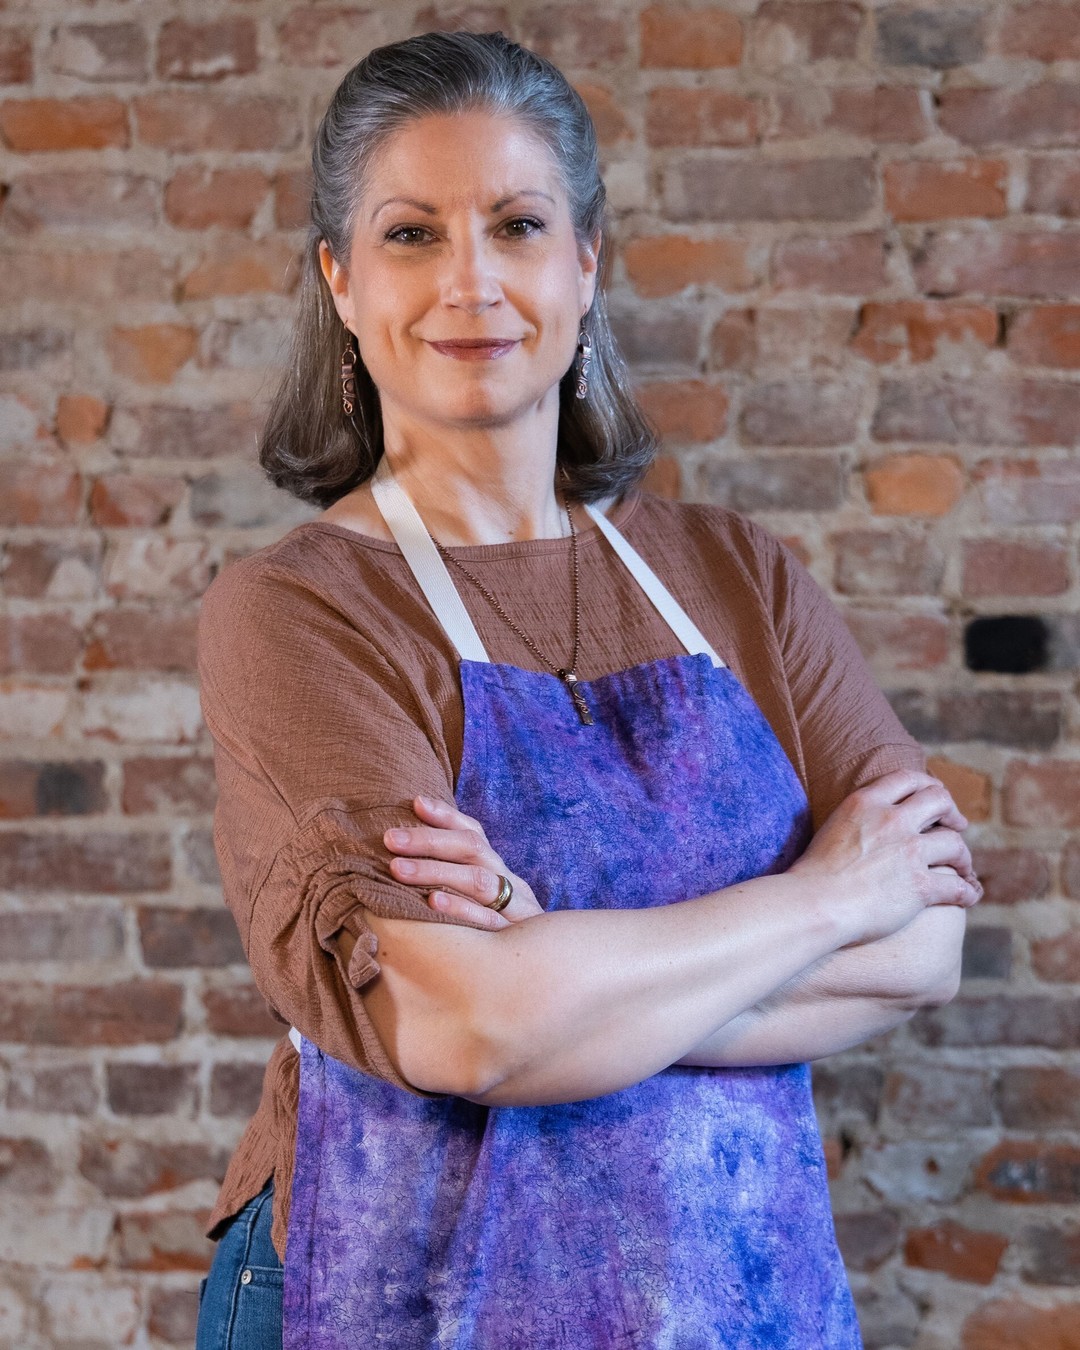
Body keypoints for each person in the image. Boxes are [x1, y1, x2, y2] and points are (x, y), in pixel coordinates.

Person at [194, 28, 982, 1350]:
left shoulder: (735, 575)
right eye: (410, 235)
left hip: (723, 1292)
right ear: (339, 278)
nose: (472, 281)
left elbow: (923, 951)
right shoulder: (299, 613)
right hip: (393, 1288)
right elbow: (471, 1029)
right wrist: (829, 900)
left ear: (586, 262)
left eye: (517, 225)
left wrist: (557, 961)